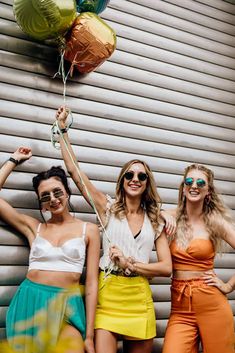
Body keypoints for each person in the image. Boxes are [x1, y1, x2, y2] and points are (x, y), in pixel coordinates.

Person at [55, 106, 174, 353]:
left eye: (141, 176)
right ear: (122, 180)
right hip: (108, 294)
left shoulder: (155, 219)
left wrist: (131, 264)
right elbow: (76, 174)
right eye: (129, 174)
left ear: (146, 183)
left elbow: (166, 268)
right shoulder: (107, 208)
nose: (135, 179)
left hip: (138, 296)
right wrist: (63, 130)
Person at [0, 147, 100, 353]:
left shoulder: (88, 230)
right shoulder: (34, 227)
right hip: (30, 302)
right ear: (41, 204)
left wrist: (89, 336)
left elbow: (91, 282)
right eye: (45, 196)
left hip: (67, 306)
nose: (53, 199)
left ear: (67, 192)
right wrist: (13, 160)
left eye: (57, 192)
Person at [162, 163, 235, 353]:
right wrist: (162, 213)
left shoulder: (215, 221)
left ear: (208, 191)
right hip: (180, 308)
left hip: (212, 305)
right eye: (189, 181)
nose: (194, 186)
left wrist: (228, 286)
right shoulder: (170, 217)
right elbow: (146, 213)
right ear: (183, 187)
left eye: (200, 182)